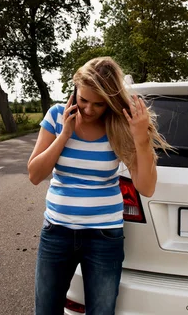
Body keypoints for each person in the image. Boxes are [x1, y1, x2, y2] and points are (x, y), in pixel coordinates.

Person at [27, 57, 172, 315]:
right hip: (57, 231)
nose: (89, 110)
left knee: (101, 311)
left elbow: (146, 187)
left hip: (104, 236)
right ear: (74, 90)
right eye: (83, 100)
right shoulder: (57, 116)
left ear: (110, 102)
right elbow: (35, 174)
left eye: (98, 104)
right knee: (45, 310)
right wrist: (64, 135)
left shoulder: (118, 125)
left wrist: (141, 139)